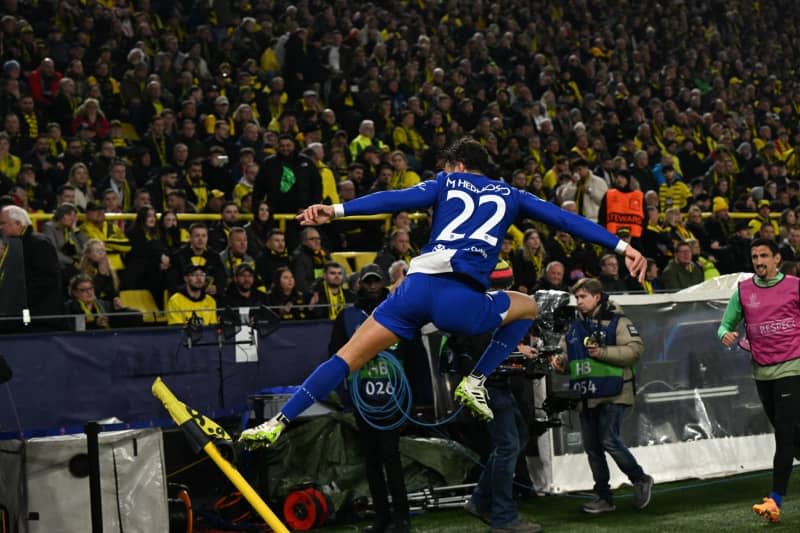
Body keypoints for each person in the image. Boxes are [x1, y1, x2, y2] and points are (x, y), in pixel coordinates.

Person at [239, 138, 645, 449]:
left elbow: (396, 199)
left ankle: (278, 422)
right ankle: (476, 380)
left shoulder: (446, 182)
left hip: (414, 290)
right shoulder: (513, 195)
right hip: (462, 302)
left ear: (459, 166)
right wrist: (624, 248)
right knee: (533, 305)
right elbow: (565, 219)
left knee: (345, 358)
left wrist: (337, 210)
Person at [551, 277, 653, 514]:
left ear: (597, 297)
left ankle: (639, 479)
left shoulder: (618, 320)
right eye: (577, 298)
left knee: (608, 440)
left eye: (583, 297)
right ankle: (603, 497)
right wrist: (560, 363)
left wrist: (603, 352)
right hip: (586, 394)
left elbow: (635, 350)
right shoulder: (574, 327)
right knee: (593, 448)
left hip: (615, 392)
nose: (579, 302)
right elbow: (568, 357)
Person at [719, 238, 800, 524]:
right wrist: (725, 335)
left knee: (784, 434)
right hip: (761, 371)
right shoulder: (743, 290)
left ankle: (775, 500)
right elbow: (725, 325)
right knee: (790, 434)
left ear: (777, 259)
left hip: (793, 367)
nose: (759, 261)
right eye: (754, 257)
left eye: (764, 256)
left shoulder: (794, 286)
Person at [331, 264, 413, 533]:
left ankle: (401, 518)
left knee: (391, 456)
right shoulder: (347, 317)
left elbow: (412, 354)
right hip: (363, 398)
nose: (372, 286)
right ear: (359, 285)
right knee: (372, 460)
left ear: (384, 284)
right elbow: (335, 355)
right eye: (368, 282)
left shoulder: (397, 311)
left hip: (392, 396)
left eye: (377, 281)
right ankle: (382, 518)